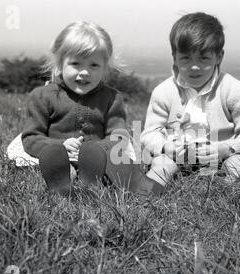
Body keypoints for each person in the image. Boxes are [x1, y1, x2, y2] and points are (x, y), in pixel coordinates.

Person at [140, 12, 240, 191]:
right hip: (175, 158)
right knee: (162, 164)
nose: (194, 66)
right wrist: (165, 147)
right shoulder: (164, 92)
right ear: (174, 57)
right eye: (185, 58)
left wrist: (225, 148)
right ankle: (145, 192)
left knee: (238, 162)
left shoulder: (234, 90)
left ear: (219, 57)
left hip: (222, 156)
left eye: (204, 58)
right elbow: (149, 133)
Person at [21, 21, 157, 195]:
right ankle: (62, 182)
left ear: (105, 67)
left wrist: (98, 149)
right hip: (60, 155)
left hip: (98, 157)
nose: (85, 72)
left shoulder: (112, 98)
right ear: (59, 63)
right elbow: (31, 137)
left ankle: (93, 180)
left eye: (94, 65)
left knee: (116, 164)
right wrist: (59, 145)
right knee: (57, 162)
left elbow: (118, 136)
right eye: (76, 64)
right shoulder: (42, 96)